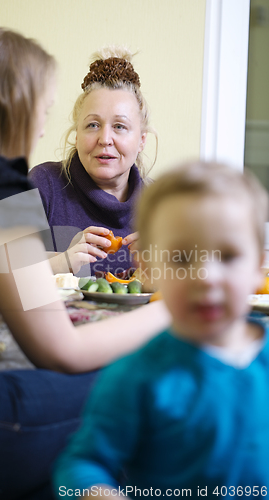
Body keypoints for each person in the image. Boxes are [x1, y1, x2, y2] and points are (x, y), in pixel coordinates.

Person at [0, 28, 170, 499]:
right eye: (46, 109)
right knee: (126, 394)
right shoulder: (0, 184)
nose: (42, 127)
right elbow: (60, 350)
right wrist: (173, 306)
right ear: (16, 104)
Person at [53, 161, 269, 496]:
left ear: (259, 268)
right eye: (182, 258)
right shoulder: (135, 376)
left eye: (227, 256)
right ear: (149, 269)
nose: (206, 277)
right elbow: (82, 465)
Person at [29, 47, 157, 277]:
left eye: (120, 126)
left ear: (141, 140)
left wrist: (168, 269)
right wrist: (61, 263)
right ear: (77, 135)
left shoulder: (161, 203)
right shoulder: (40, 182)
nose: (105, 139)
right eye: (92, 125)